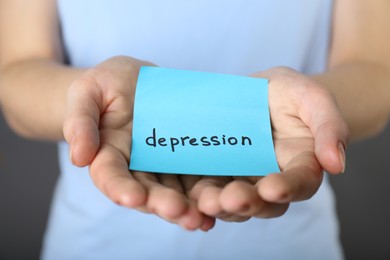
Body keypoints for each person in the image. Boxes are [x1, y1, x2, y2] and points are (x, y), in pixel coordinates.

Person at [0, 0, 389, 259]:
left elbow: (375, 72)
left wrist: (310, 110)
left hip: (291, 241)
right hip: (95, 244)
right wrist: (93, 101)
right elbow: (17, 70)